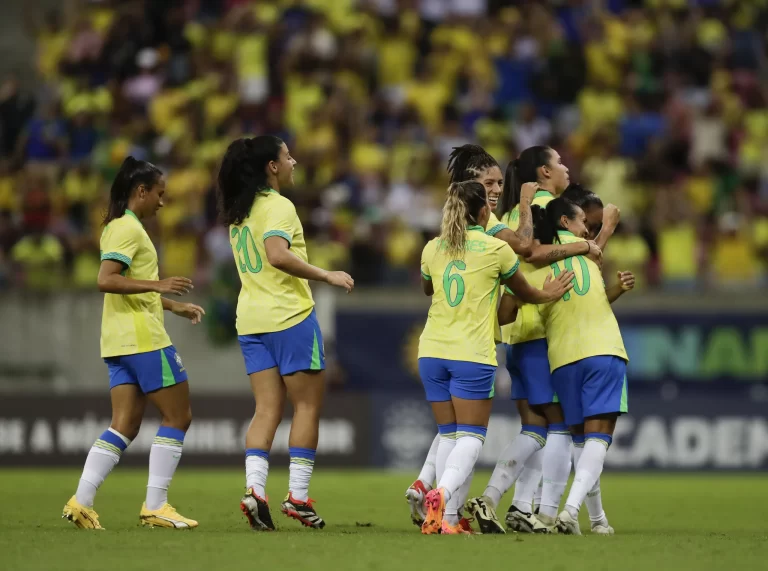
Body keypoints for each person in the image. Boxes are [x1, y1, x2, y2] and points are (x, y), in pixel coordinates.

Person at [418, 180, 574, 535]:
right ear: (485, 213)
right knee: (471, 436)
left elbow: (428, 287)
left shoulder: (431, 248)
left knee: (448, 435)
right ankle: (442, 495)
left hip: (430, 352)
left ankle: (448, 520)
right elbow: (524, 292)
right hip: (471, 352)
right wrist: (546, 293)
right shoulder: (495, 249)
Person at [217, 135, 354, 531]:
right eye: (287, 156)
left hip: (252, 320)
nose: (294, 161)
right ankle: (297, 497)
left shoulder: (239, 210)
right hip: (290, 317)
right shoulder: (278, 206)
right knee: (307, 407)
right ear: (272, 167)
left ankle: (255, 491)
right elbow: (277, 254)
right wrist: (325, 274)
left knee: (265, 410)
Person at [62, 157, 205, 530]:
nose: (162, 201)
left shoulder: (116, 226)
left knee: (123, 425)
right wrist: (160, 286)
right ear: (141, 191)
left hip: (118, 340)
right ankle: (156, 505)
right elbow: (106, 280)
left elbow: (129, 285)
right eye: (159, 194)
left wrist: (173, 305)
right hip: (144, 339)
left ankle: (81, 500)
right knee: (179, 416)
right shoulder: (128, 228)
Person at [466, 146, 601, 534]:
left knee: (535, 427)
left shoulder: (509, 213)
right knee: (557, 426)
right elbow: (537, 252)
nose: (566, 167)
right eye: (559, 162)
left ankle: (517, 506)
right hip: (542, 327)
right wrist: (590, 241)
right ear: (544, 171)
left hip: (517, 331)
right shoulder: (546, 207)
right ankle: (530, 507)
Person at [504, 197, 633, 535]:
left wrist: (614, 289)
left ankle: (596, 518)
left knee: (580, 441)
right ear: (564, 221)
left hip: (561, 361)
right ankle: (569, 511)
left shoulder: (535, 261)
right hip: (603, 349)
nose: (586, 230)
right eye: (581, 223)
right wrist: (604, 232)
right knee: (598, 439)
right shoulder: (588, 254)